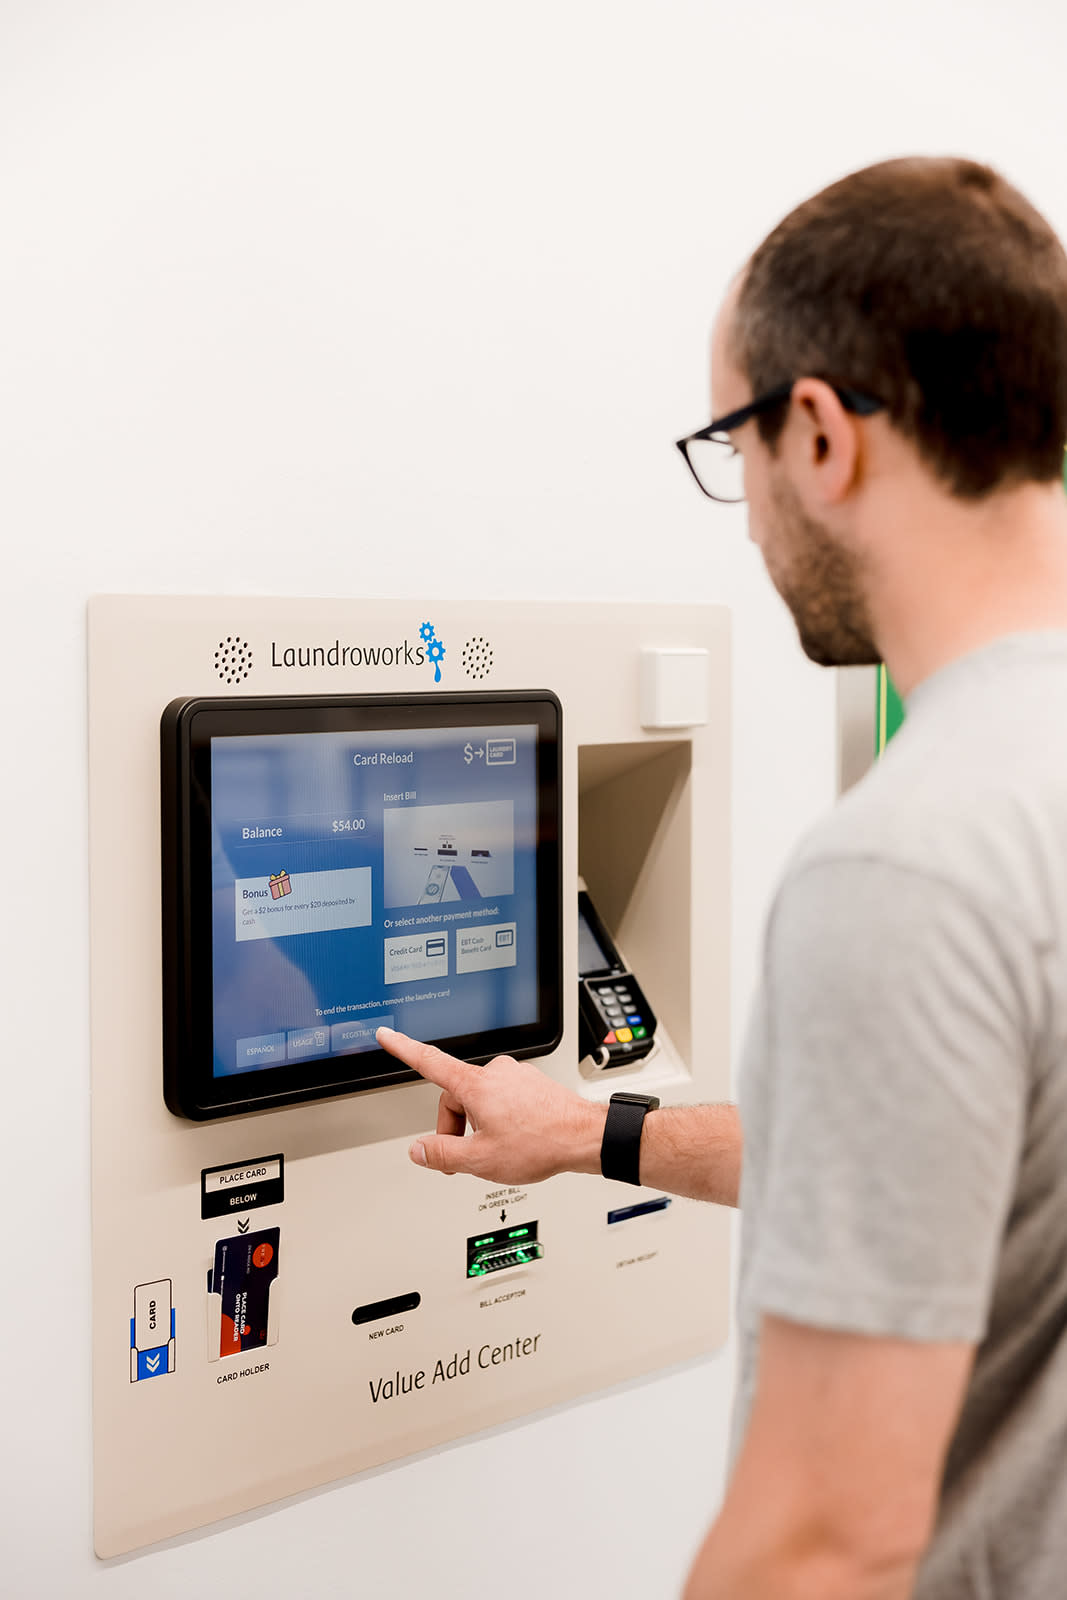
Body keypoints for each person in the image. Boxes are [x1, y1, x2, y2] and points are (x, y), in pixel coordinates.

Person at [378, 156, 1067, 1599]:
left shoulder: (909, 860)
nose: (747, 512)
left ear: (818, 433)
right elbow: (947, 1170)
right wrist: (590, 1133)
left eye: (731, 446)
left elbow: (827, 1539)